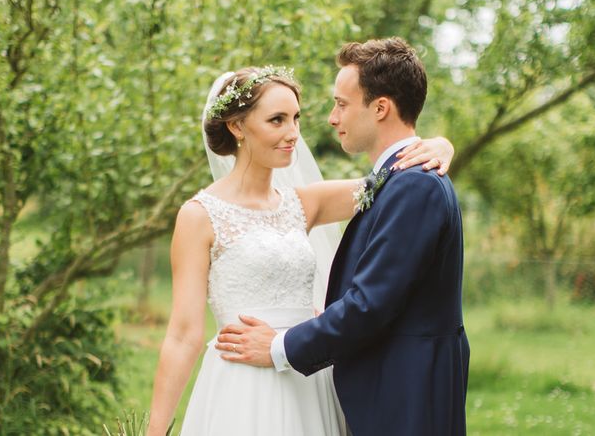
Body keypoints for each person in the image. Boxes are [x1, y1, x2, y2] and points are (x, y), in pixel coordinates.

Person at [146, 62, 455, 436]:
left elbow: (392, 178)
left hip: (307, 379)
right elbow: (183, 334)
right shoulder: (199, 216)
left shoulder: (306, 203)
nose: (293, 133)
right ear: (237, 126)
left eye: (295, 118)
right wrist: (156, 429)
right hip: (242, 385)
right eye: (277, 120)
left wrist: (439, 145)